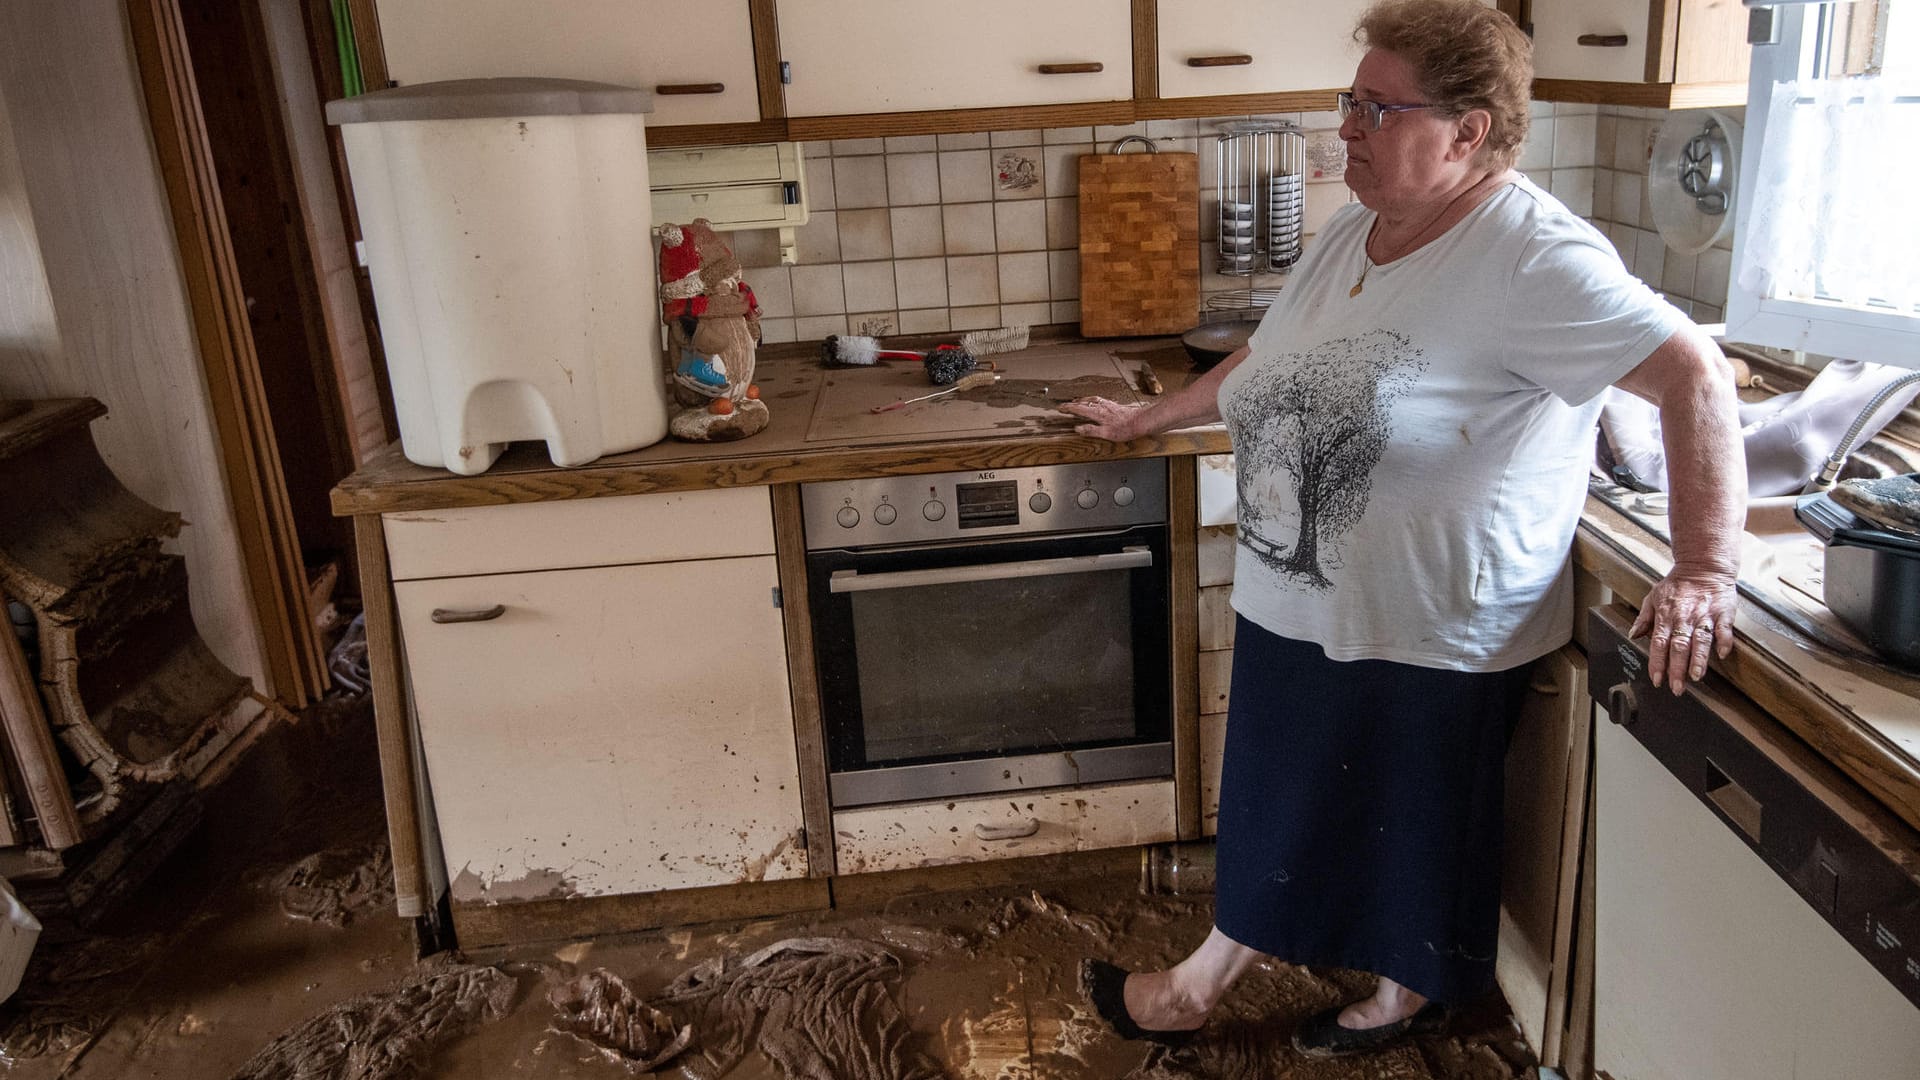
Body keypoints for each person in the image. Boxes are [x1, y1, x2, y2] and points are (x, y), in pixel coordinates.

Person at [1062, 0, 1745, 1058]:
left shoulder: (1533, 259)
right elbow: (1274, 351)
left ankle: (1320, 993)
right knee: (1287, 804)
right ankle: (1319, 983)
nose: (1347, 129)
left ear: (1469, 132)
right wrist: (1157, 413)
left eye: (1377, 110)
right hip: (1304, 591)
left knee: (1405, 827)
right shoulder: (1356, 229)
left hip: (1433, 619)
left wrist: (1705, 567)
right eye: (1352, 102)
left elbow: (1694, 374)